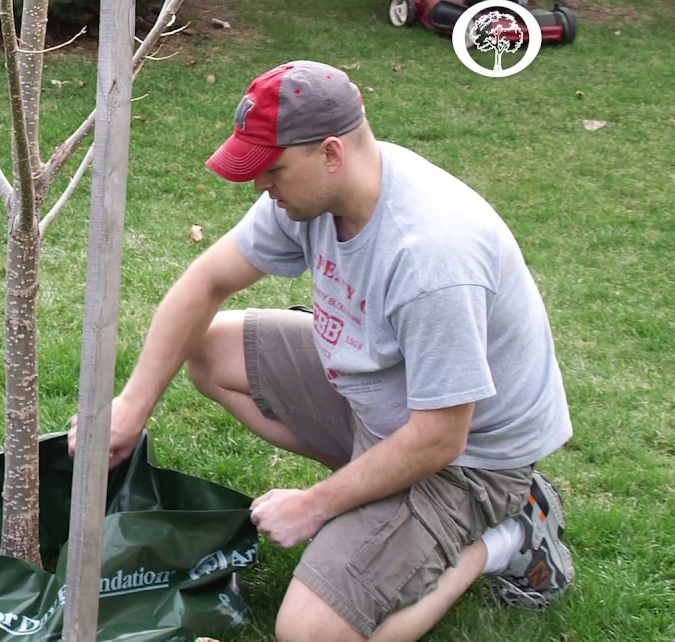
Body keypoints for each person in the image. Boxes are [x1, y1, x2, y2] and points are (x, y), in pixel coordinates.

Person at [69, 60, 574, 641]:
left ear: (331, 153)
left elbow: (441, 437)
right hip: (380, 398)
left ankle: (504, 538)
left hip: (467, 462)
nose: (262, 186)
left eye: (273, 170)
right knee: (207, 349)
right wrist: (131, 406)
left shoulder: (431, 258)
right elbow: (204, 283)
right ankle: (376, 506)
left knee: (311, 632)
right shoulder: (317, 196)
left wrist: (315, 505)